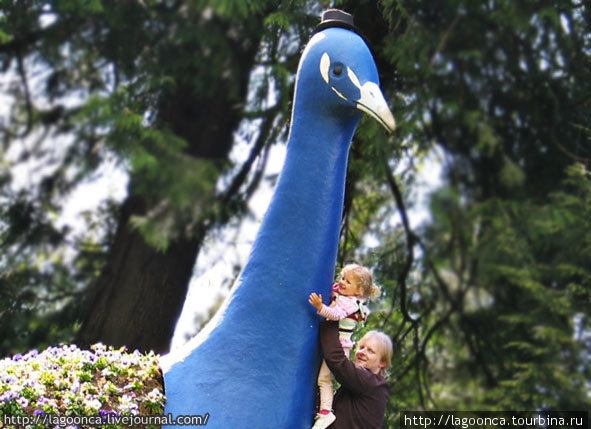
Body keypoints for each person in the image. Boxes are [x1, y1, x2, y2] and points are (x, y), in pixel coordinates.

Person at [308, 264, 381, 429]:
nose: (342, 283)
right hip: (335, 344)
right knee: (323, 378)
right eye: (342, 278)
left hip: (341, 347)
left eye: (348, 282)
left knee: (325, 379)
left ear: (358, 291)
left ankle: (326, 413)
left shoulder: (351, 304)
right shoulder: (344, 297)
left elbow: (335, 315)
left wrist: (320, 307)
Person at [317, 321, 393, 428]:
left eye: (371, 351)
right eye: (361, 347)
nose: (362, 352)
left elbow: (336, 360)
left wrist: (330, 320)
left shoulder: (373, 384)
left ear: (382, 362)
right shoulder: (361, 386)